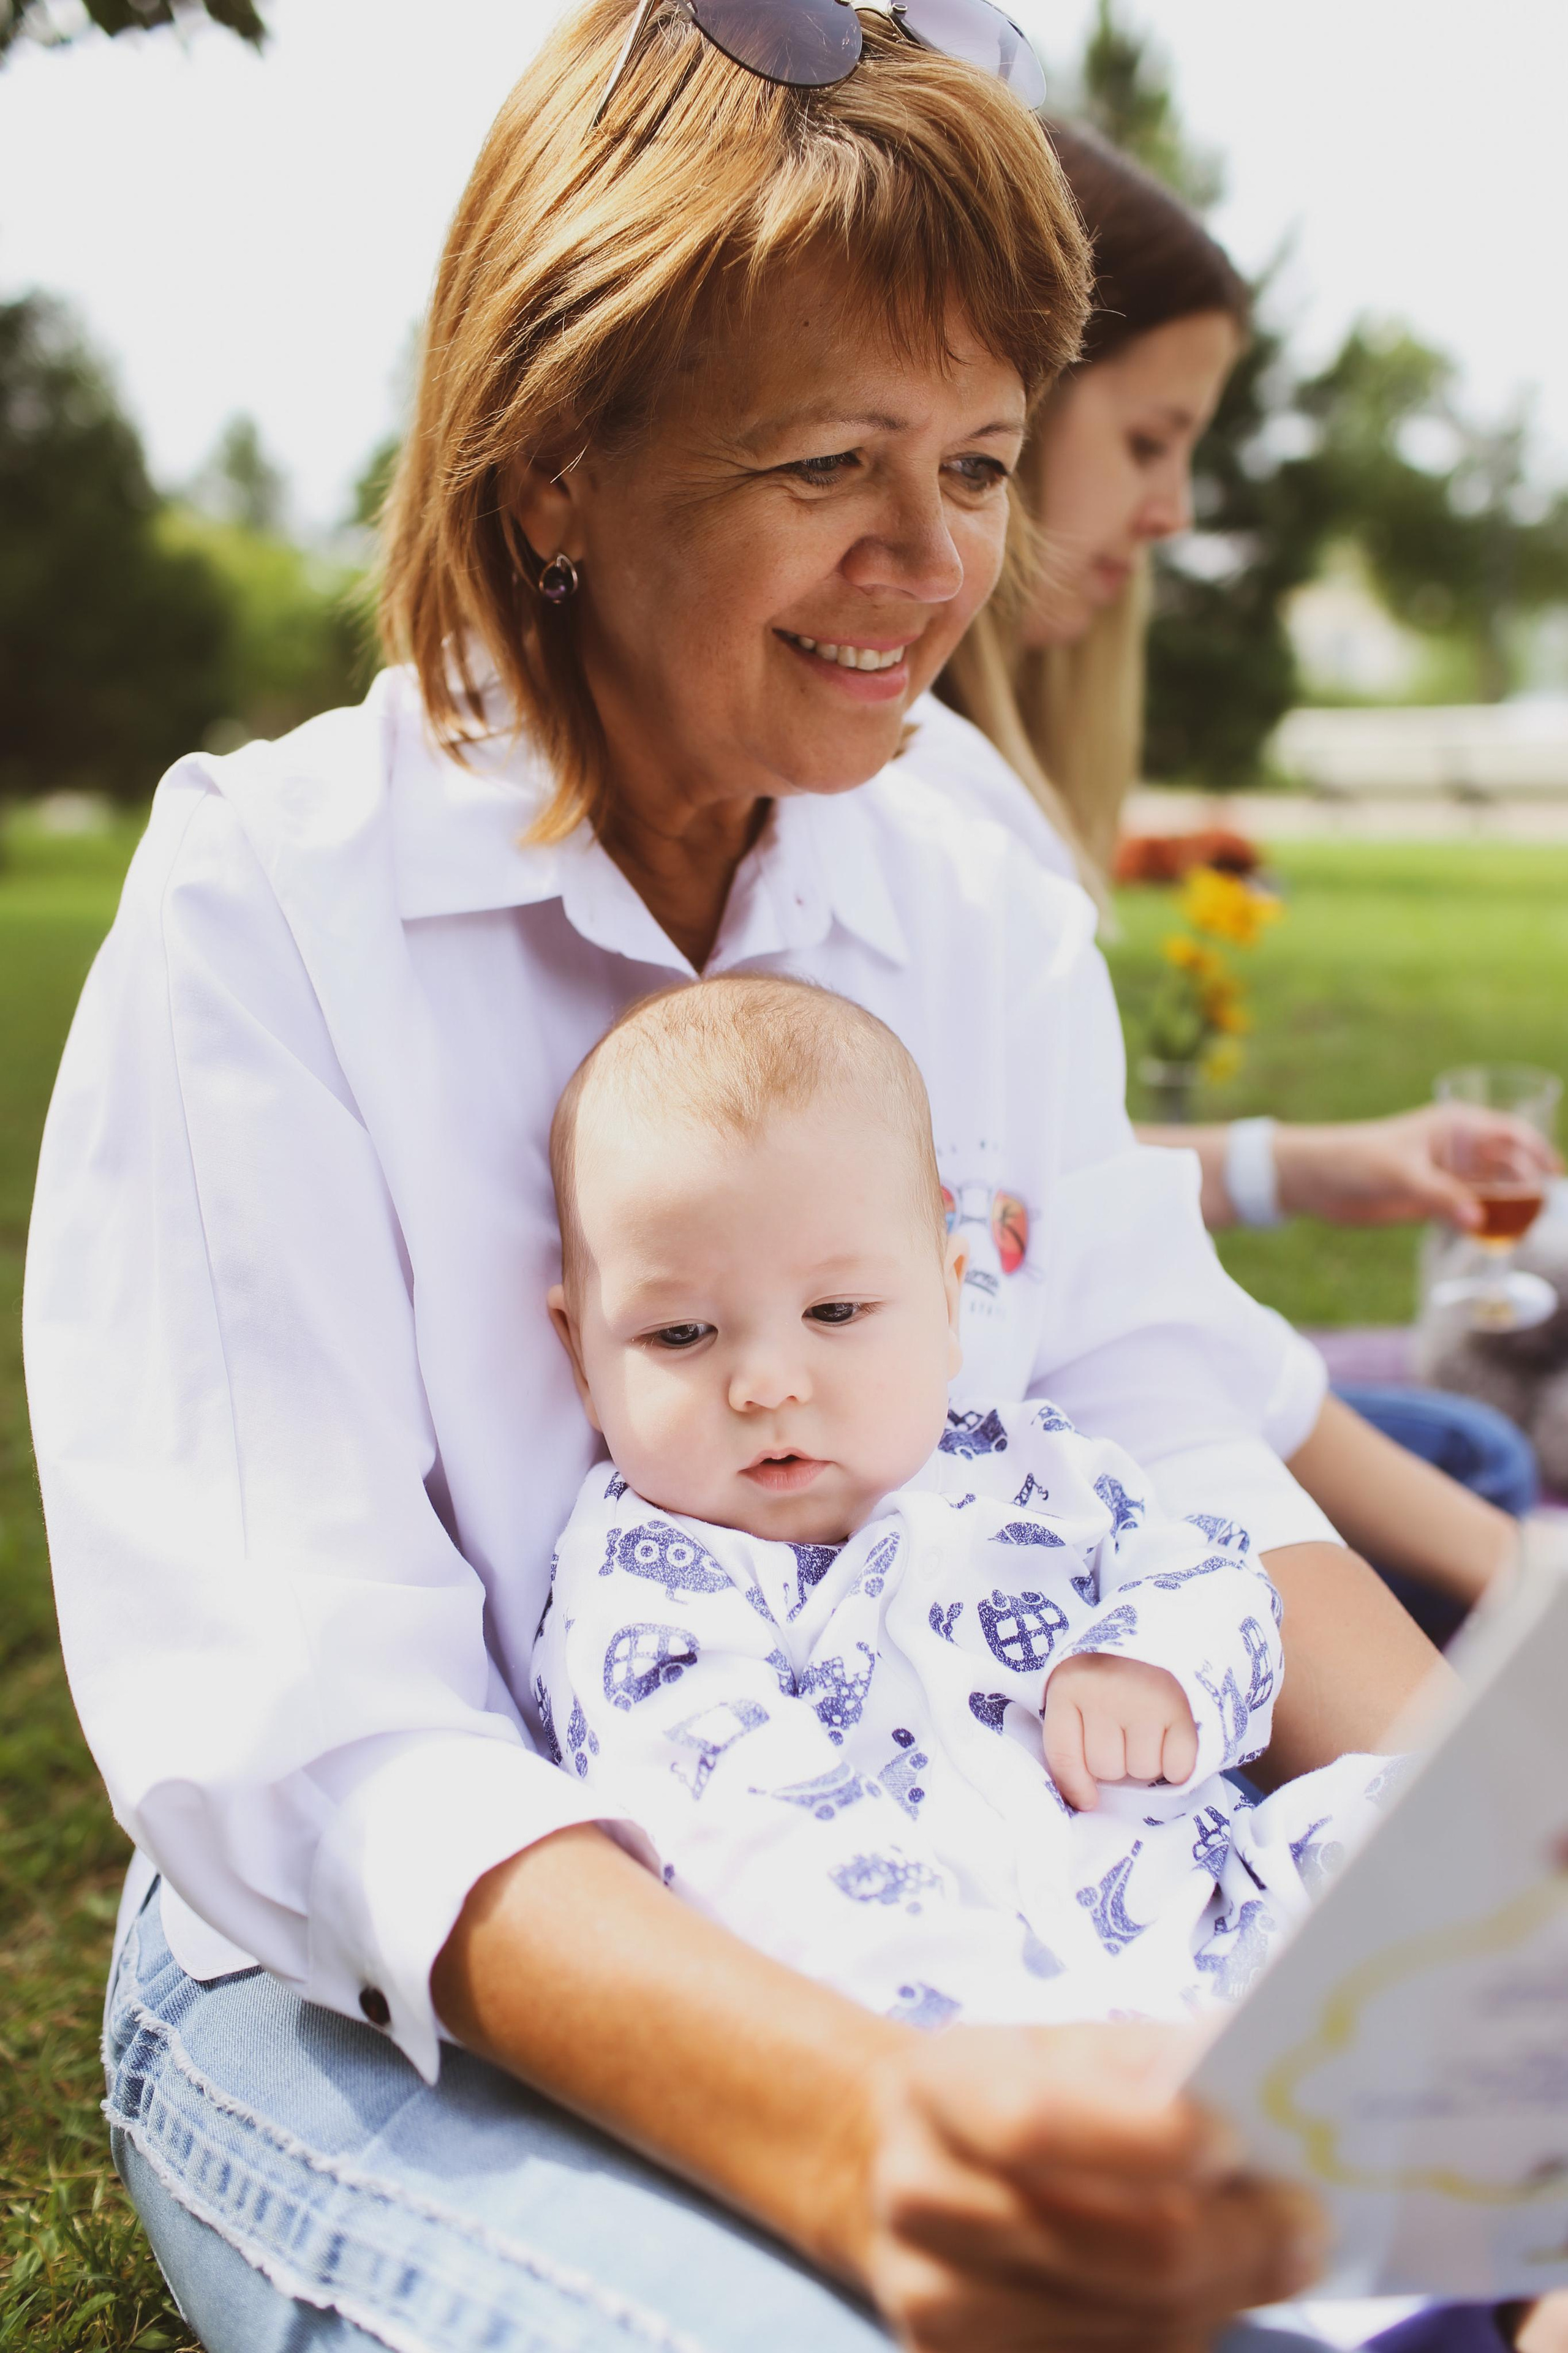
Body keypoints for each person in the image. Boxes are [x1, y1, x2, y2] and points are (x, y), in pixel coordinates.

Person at [25, 7, 1441, 2347]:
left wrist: (1497, 1959)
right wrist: (868, 2130)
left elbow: (1162, 1414)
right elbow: (339, 1753)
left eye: (984, 467)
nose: (929, 562)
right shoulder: (267, 907)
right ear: (558, 458)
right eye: (828, 463)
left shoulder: (963, 879)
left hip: (995, 1888)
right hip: (398, 1997)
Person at [928, 120, 1548, 1645]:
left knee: (1453, 1446)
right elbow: (1064, 1271)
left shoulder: (959, 808)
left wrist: (1302, 1165)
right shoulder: (917, 819)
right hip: (1019, 1487)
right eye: (1147, 441)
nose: (1176, 511)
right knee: (1467, 1456)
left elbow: (1027, 1177)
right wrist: (1517, 1582)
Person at [538, 972, 1389, 2030]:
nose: (767, 1383)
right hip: (982, 2014)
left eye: (837, 1310)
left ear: (949, 1301)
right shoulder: (644, 1585)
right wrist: (998, 2026)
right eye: (679, 1335)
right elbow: (747, 1834)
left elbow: (1212, 1569)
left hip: (1222, 1895)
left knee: (1414, 1817)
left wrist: (1152, 1659)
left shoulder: (1030, 1462)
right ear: (581, 1353)